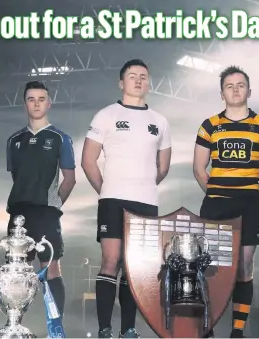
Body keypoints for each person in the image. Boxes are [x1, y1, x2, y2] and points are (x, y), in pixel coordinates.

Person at [81, 59, 172, 338]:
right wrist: (107, 191)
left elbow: (163, 167)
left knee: (134, 265)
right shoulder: (106, 115)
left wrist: (141, 186)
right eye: (132, 76)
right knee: (111, 260)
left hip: (145, 202)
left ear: (149, 82)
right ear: (122, 82)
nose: (138, 80)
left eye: (144, 76)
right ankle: (105, 329)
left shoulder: (159, 121)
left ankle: (128, 329)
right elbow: (88, 161)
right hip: (112, 200)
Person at [193, 65, 259, 338]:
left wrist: (254, 195)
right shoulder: (209, 126)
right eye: (229, 86)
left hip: (250, 205)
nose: (235, 90)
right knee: (212, 268)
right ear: (222, 93)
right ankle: (208, 326)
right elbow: (198, 168)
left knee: (244, 267)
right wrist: (217, 192)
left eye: (240, 85)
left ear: (249, 90)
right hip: (216, 204)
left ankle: (237, 331)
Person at [5, 80, 76, 321]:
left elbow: (69, 179)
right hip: (18, 215)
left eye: (41, 99)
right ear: (25, 103)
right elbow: (17, 176)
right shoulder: (13, 140)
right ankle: (15, 327)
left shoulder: (60, 138)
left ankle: (56, 328)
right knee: (17, 273)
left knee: (51, 269)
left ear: (49, 103)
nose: (36, 103)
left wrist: (54, 205)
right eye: (31, 99)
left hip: (46, 214)